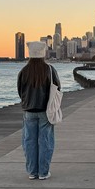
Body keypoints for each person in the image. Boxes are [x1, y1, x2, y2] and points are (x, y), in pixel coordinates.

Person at [17, 41, 60, 180]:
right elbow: (57, 87)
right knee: (45, 141)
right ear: (43, 53)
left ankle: (32, 172)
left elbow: (20, 91)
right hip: (45, 111)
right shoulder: (49, 70)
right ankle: (43, 172)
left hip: (29, 111)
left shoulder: (24, 71)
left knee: (29, 142)